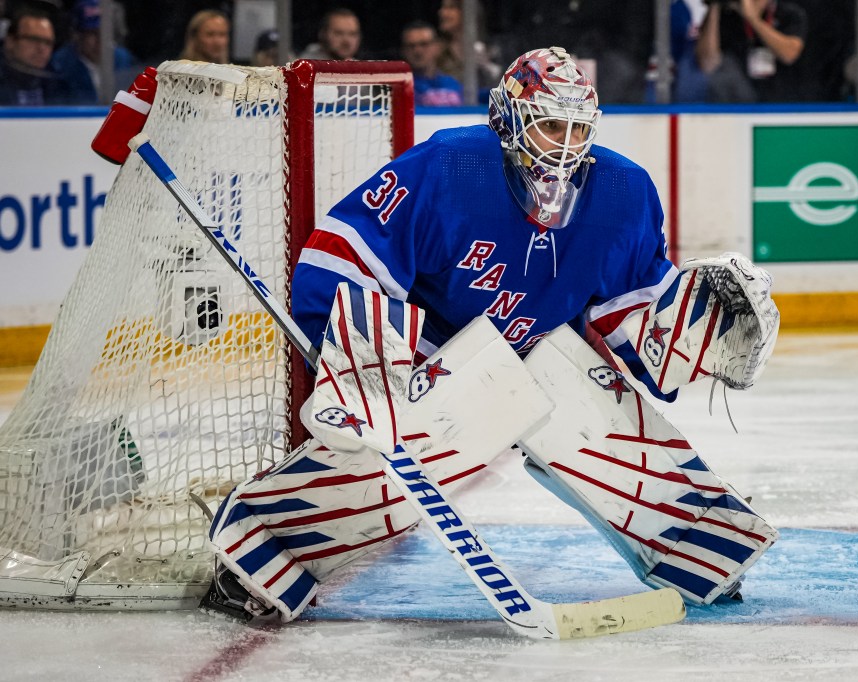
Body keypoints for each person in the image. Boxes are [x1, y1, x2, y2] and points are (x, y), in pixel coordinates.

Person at [200, 47, 780, 624]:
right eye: (552, 124)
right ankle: (260, 551)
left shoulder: (623, 194)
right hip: (430, 364)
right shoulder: (448, 168)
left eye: (580, 129)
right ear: (509, 119)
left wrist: (690, 330)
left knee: (586, 398)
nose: (567, 145)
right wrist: (362, 374)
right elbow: (343, 258)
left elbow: (633, 321)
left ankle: (701, 550)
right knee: (397, 457)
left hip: (537, 359)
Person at [695, 0, 807, 103]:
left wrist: (753, 19)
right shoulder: (727, 16)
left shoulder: (788, 13)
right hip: (736, 102)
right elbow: (707, 63)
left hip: (781, 104)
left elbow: (789, 54)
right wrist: (714, 7)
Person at [50, 0, 137, 105]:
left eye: (105, 32)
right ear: (77, 35)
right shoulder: (60, 65)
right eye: (93, 33)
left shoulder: (124, 59)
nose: (101, 40)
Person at [0, 4, 69, 105]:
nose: (42, 49)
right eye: (33, 39)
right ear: (10, 42)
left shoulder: (58, 83)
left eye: (48, 42)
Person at [435, 0, 502, 104]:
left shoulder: (491, 49)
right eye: (443, 8)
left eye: (451, 8)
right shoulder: (437, 50)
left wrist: (487, 67)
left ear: (468, 13)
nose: (442, 12)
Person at [401, 20, 463, 107]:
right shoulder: (401, 89)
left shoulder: (452, 83)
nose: (418, 51)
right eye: (411, 46)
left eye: (424, 44)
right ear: (404, 51)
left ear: (437, 47)